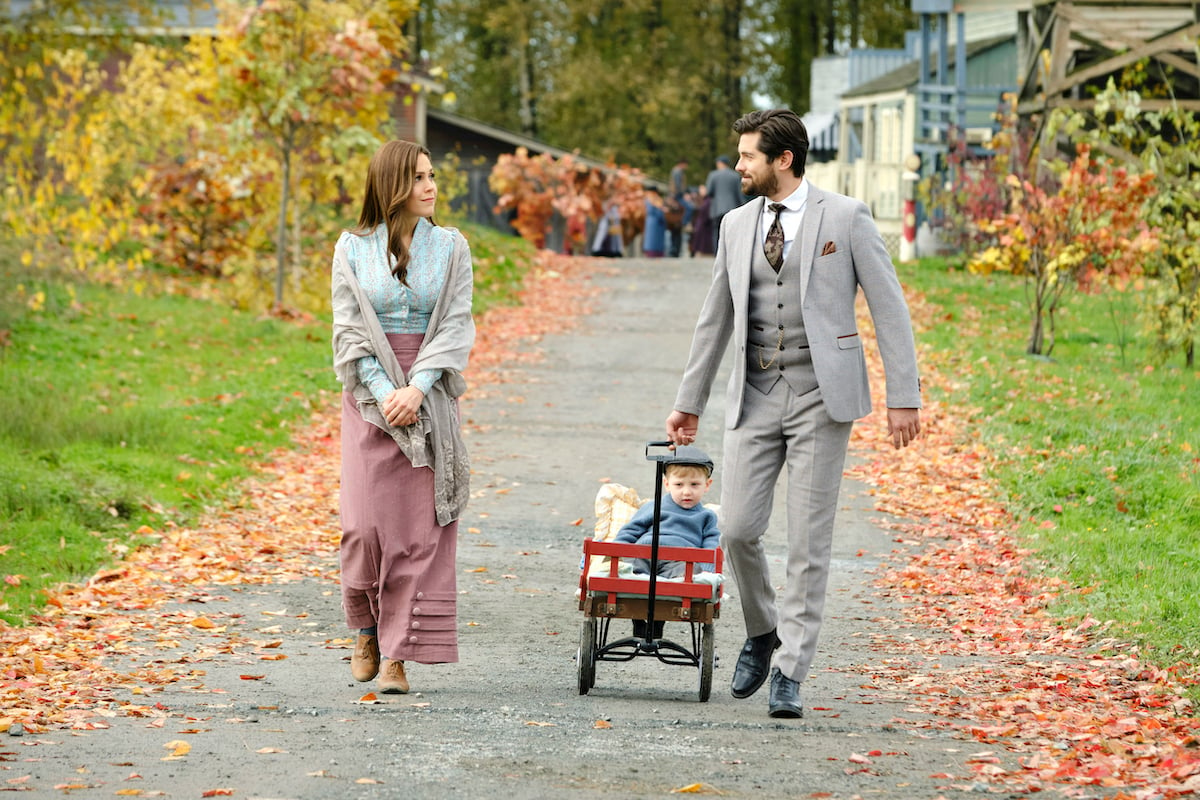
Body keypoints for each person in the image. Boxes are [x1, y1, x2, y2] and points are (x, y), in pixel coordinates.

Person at [665, 109, 921, 719]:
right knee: (737, 528)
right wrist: (688, 401)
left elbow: (890, 309)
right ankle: (762, 630)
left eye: (748, 156)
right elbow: (714, 320)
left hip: (821, 398)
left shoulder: (847, 218)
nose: (738, 167)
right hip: (755, 396)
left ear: (783, 160)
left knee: (809, 541)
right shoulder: (734, 225)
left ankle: (791, 669)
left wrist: (903, 395)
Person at [331, 140, 475, 695]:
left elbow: (456, 323)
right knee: (363, 527)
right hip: (369, 395)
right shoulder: (351, 249)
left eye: (432, 175)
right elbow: (347, 330)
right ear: (391, 185)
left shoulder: (452, 247)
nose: (430, 186)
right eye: (418, 177)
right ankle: (366, 626)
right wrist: (385, 390)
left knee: (419, 532)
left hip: (429, 390)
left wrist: (417, 386)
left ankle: (396, 653)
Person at [612, 446, 720, 639]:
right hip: (647, 552)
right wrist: (615, 553)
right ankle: (637, 618)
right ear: (667, 484)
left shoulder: (707, 516)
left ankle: (657, 620)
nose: (687, 492)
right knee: (630, 568)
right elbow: (632, 530)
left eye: (694, 484)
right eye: (679, 485)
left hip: (680, 560)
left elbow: (711, 544)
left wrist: (706, 568)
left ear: (707, 485)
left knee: (688, 575)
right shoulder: (655, 506)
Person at [704, 154, 746, 254]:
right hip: (732, 208)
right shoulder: (735, 176)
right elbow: (739, 193)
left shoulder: (713, 175)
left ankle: (717, 253)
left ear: (719, 163)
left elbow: (709, 191)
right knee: (731, 232)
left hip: (717, 208)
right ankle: (731, 252)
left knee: (717, 231)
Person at [642, 185, 667, 258]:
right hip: (655, 222)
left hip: (652, 222)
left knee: (652, 240)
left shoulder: (649, 199)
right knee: (653, 240)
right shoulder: (653, 200)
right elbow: (654, 211)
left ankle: (654, 253)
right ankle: (653, 253)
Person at [690, 184, 714, 257]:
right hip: (701, 225)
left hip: (705, 226)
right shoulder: (702, 200)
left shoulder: (708, 201)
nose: (701, 191)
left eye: (703, 189)